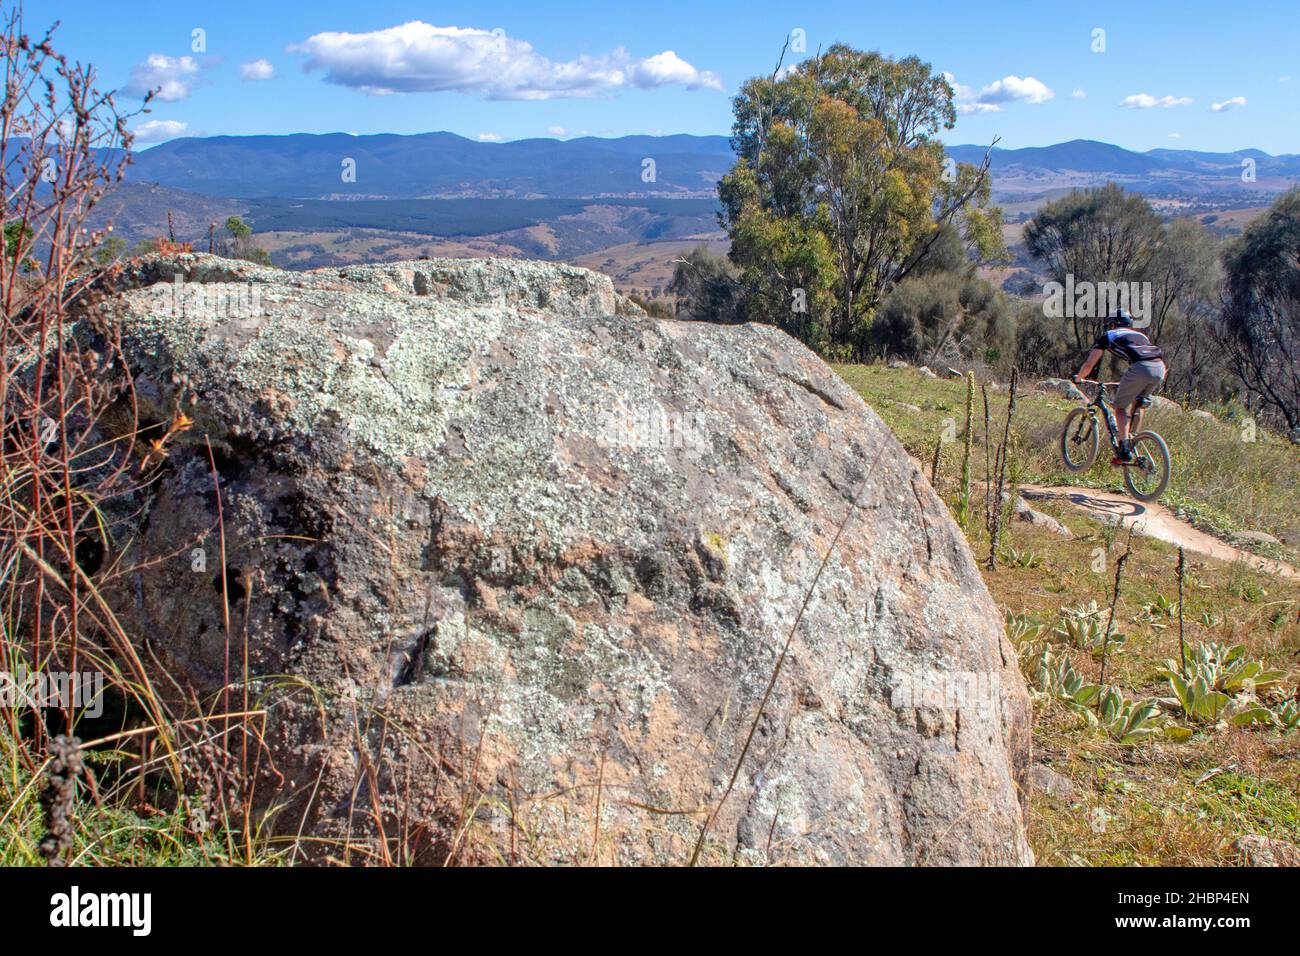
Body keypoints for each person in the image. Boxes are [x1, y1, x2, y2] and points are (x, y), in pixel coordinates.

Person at [1072, 309, 1166, 464]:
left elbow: (1089, 364)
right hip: (1160, 368)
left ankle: (1124, 446)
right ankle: (1132, 437)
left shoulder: (1108, 335)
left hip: (1140, 368)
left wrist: (1079, 378)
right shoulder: (1141, 336)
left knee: (1119, 407)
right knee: (1138, 401)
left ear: (1112, 323)